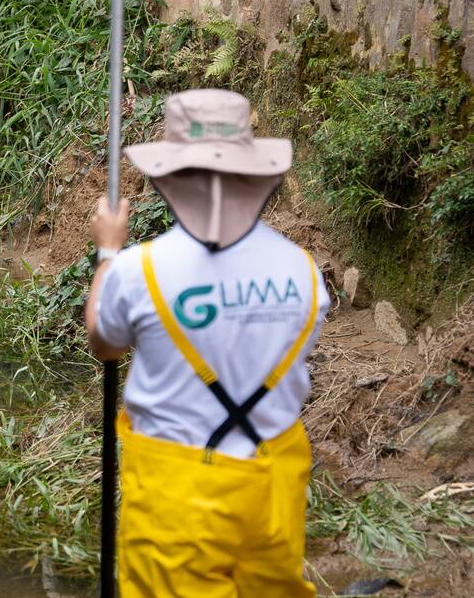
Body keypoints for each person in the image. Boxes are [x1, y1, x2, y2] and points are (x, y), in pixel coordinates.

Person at [84, 88, 329, 597]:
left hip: (179, 495)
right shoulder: (304, 272)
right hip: (273, 486)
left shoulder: (138, 271)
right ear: (252, 173)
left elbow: (104, 344)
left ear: (170, 178)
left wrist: (108, 252)